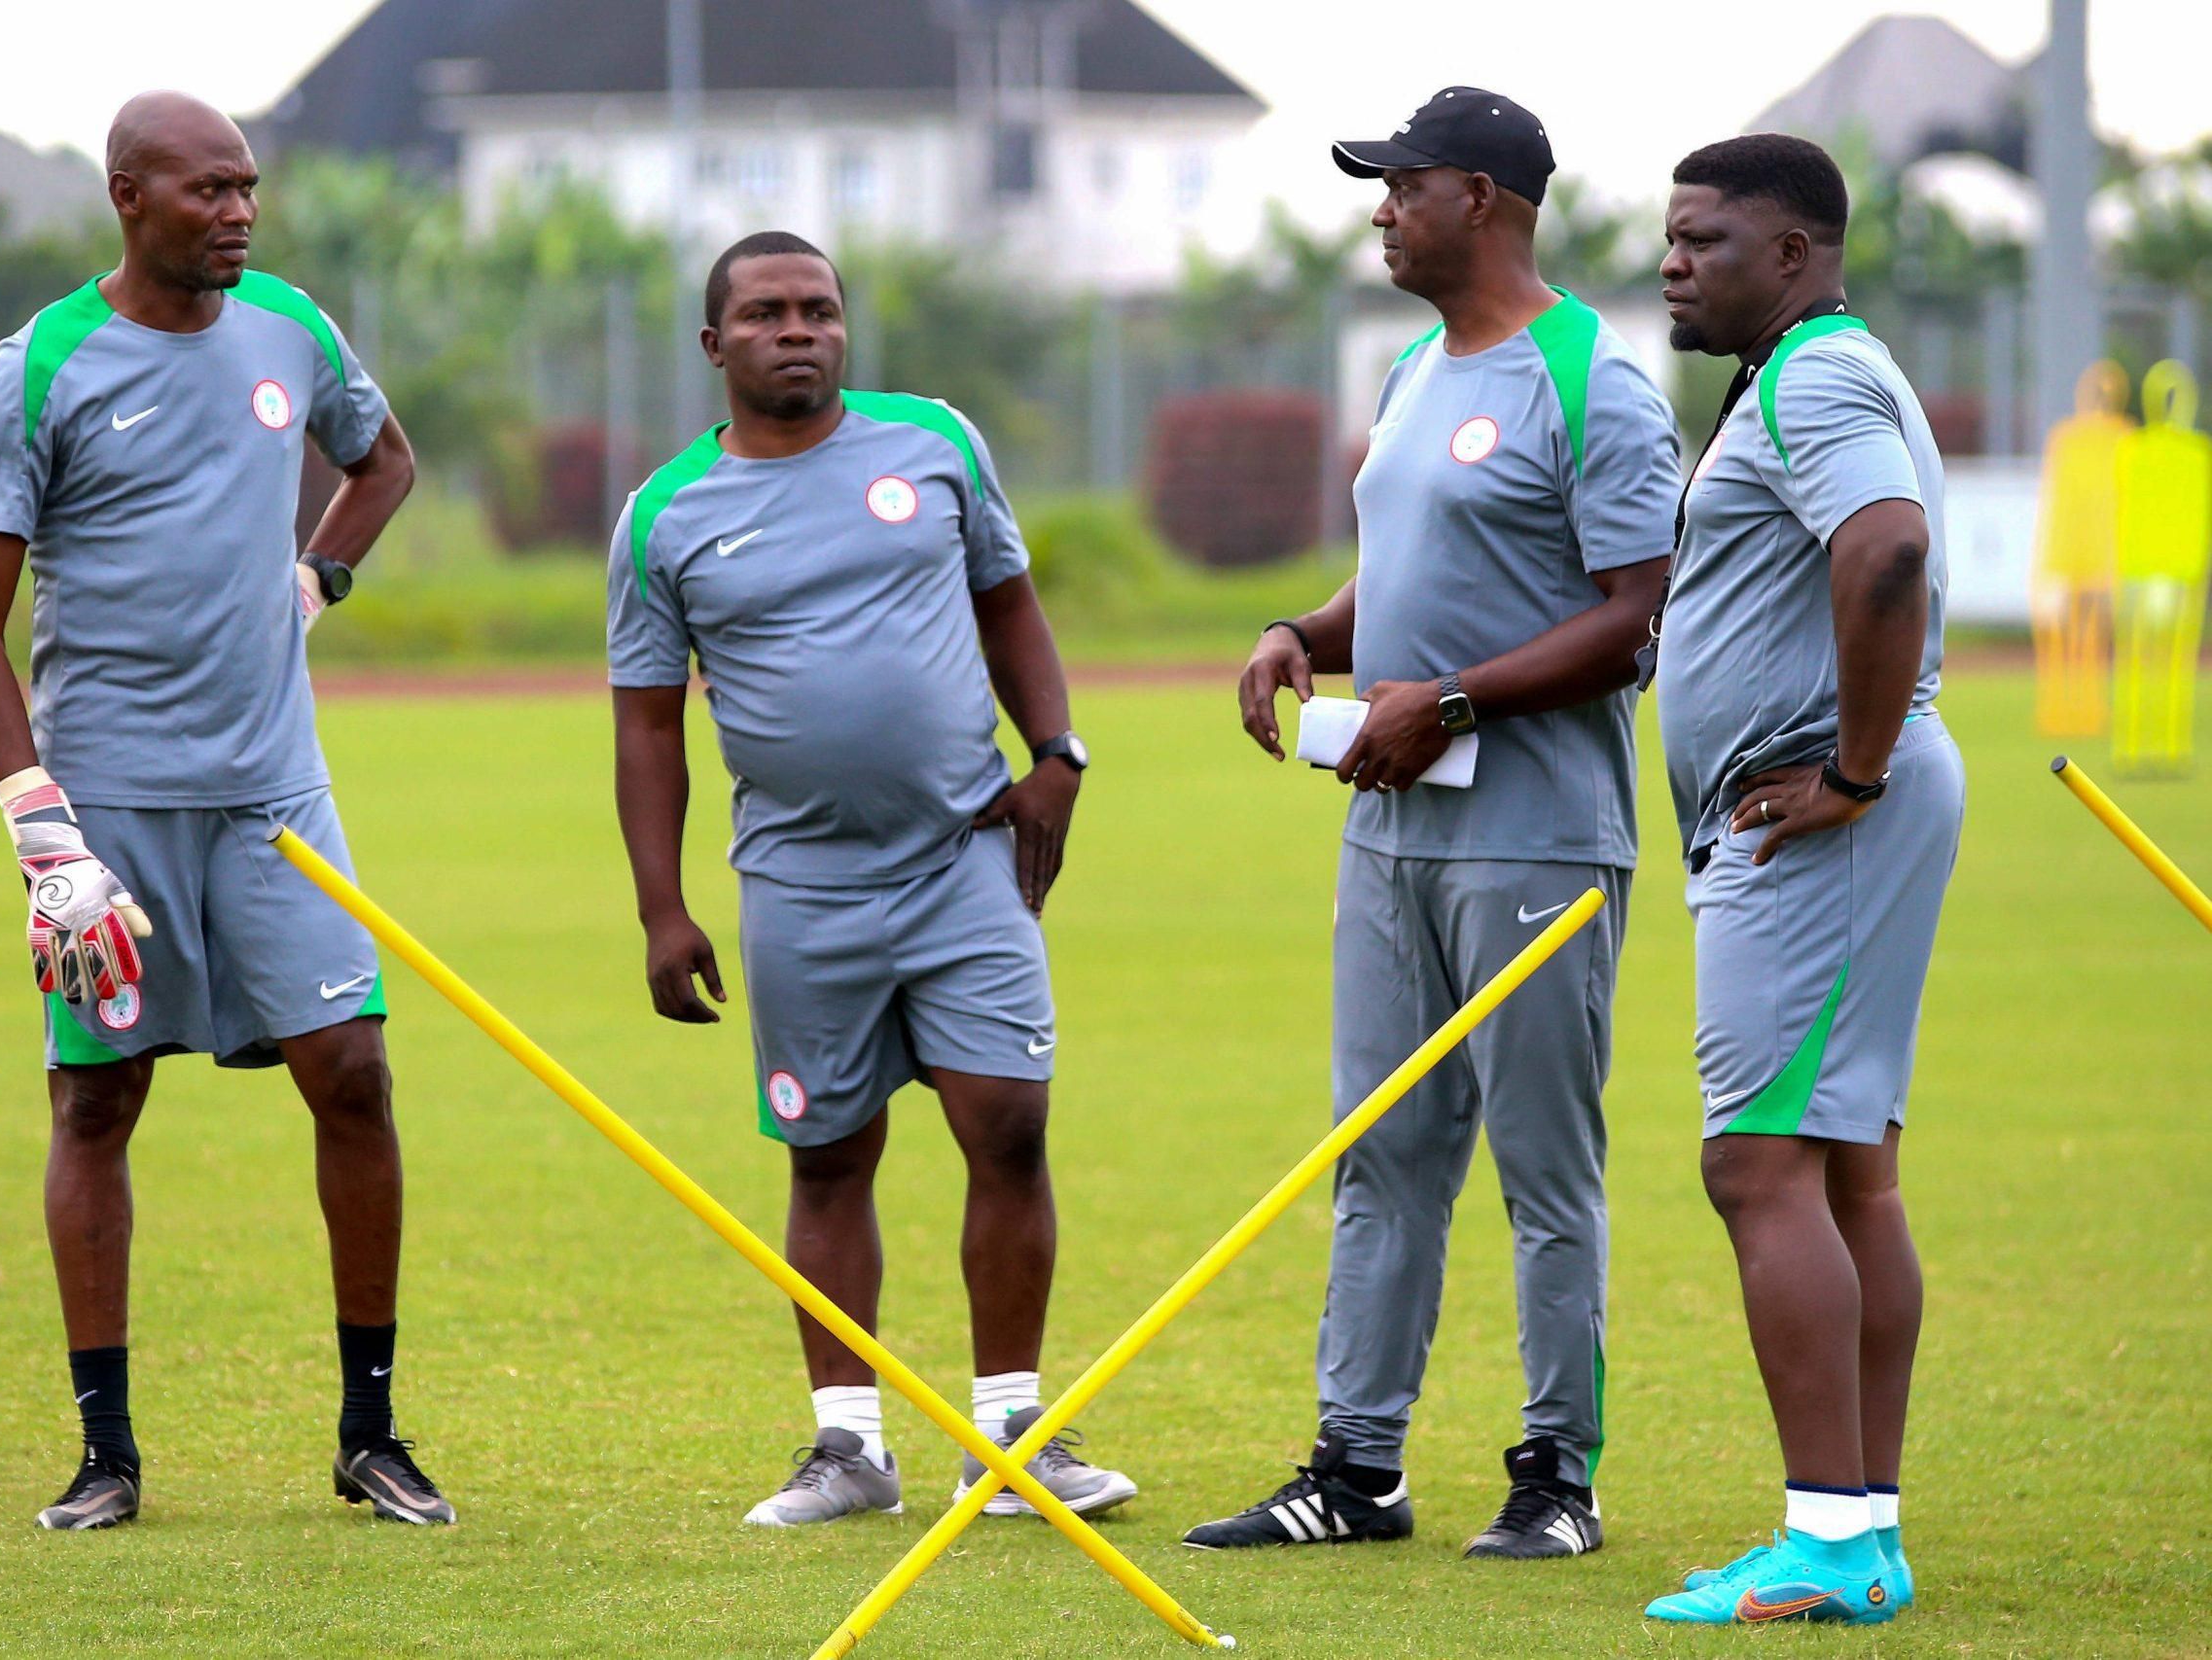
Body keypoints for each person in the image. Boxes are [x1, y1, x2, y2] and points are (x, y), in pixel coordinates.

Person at [0, 91, 451, 1530]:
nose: (237, 212)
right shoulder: (38, 365)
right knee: (97, 1099)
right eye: (207, 191)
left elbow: (384, 459)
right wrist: (41, 827)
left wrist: (316, 578)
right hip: (102, 816)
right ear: (127, 197)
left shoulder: (293, 326)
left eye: (247, 187)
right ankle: (106, 1456)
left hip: (276, 799)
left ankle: (371, 1432)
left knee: (352, 1074)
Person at [1188, 88, 1677, 1559]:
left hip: (1538, 840)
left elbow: (1636, 621)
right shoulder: (1412, 368)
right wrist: (1303, 632)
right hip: (1391, 840)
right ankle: (1356, 1470)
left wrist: (1450, 705)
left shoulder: (1595, 379)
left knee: (1544, 1165)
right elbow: (1403, 575)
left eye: (1399, 185)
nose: (1380, 210)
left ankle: (1556, 1479)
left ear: (1480, 196)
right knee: (1382, 1150)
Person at [606, 230, 1134, 1528]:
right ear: (714, 344)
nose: (802, 332)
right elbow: (647, 724)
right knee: (829, 1156)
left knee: (1008, 1123)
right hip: (799, 882)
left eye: (822, 311)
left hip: (966, 856)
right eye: (771, 313)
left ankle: (1010, 1438)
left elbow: (1009, 603)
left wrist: (1057, 752)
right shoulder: (663, 514)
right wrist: (662, 908)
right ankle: (849, 1448)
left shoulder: (933, 444)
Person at [1642, 133, 1961, 1626]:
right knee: (1843, 1173)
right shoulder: (1803, 377)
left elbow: (1887, 551)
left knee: (1757, 1164)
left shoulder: (1819, 376)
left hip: (1820, 822)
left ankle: (1829, 1541)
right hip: (1830, 811)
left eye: (1703, 239)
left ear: (1790, 253)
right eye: (1670, 236)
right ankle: (1864, 1532)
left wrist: (1851, 768)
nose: (1672, 262)